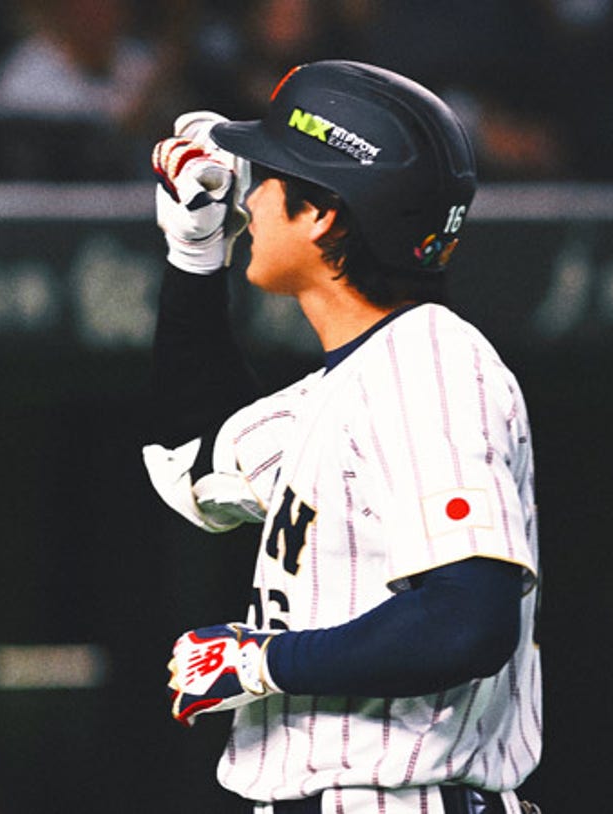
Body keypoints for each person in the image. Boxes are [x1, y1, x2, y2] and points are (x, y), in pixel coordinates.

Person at [142, 61, 541, 813]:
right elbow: (189, 464)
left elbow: (468, 617)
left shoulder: (431, 365)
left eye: (269, 178)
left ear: (324, 214)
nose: (249, 198)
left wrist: (265, 661)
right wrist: (194, 258)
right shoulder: (345, 387)